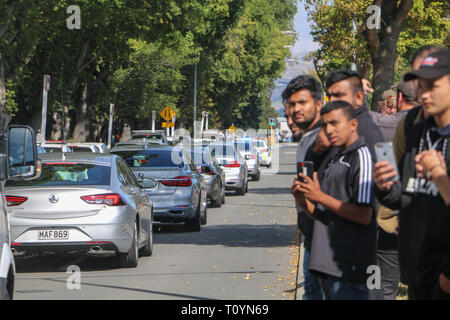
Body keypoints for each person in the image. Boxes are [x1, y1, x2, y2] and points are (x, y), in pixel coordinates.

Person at [374, 48, 450, 300]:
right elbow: (408, 195)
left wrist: (439, 175)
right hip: (419, 270)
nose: (423, 93)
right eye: (420, 85)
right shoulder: (416, 130)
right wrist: (384, 186)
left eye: (432, 85)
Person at [292, 100, 377, 300]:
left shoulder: (361, 156)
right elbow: (323, 215)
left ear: (353, 124)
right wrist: (303, 198)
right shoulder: (335, 158)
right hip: (328, 264)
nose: (329, 130)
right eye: (325, 124)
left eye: (335, 123)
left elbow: (364, 215)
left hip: (349, 266)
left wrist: (319, 196)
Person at [282, 75, 324, 300]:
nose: (295, 112)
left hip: (328, 238)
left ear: (318, 104)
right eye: (291, 105)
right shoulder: (306, 138)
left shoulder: (324, 139)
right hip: (311, 235)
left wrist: (306, 201)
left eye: (302, 103)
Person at [325, 69, 384, 157]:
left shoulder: (365, 131)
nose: (331, 101)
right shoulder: (342, 126)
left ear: (359, 97)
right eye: (329, 96)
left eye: (338, 95)